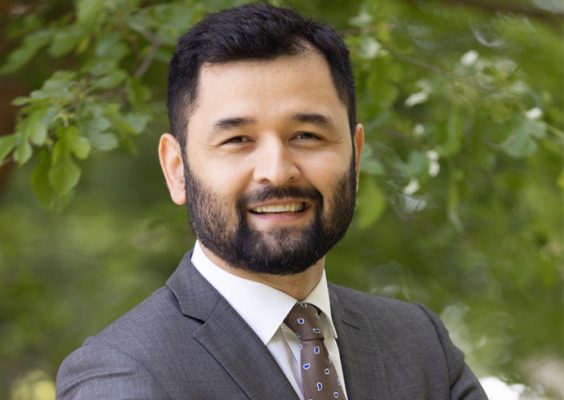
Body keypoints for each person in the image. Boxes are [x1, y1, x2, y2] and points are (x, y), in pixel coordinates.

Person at [56, 3, 488, 399]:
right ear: (177, 169)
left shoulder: (419, 343)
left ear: (355, 156)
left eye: (307, 136)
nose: (278, 170)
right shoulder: (122, 374)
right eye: (237, 139)